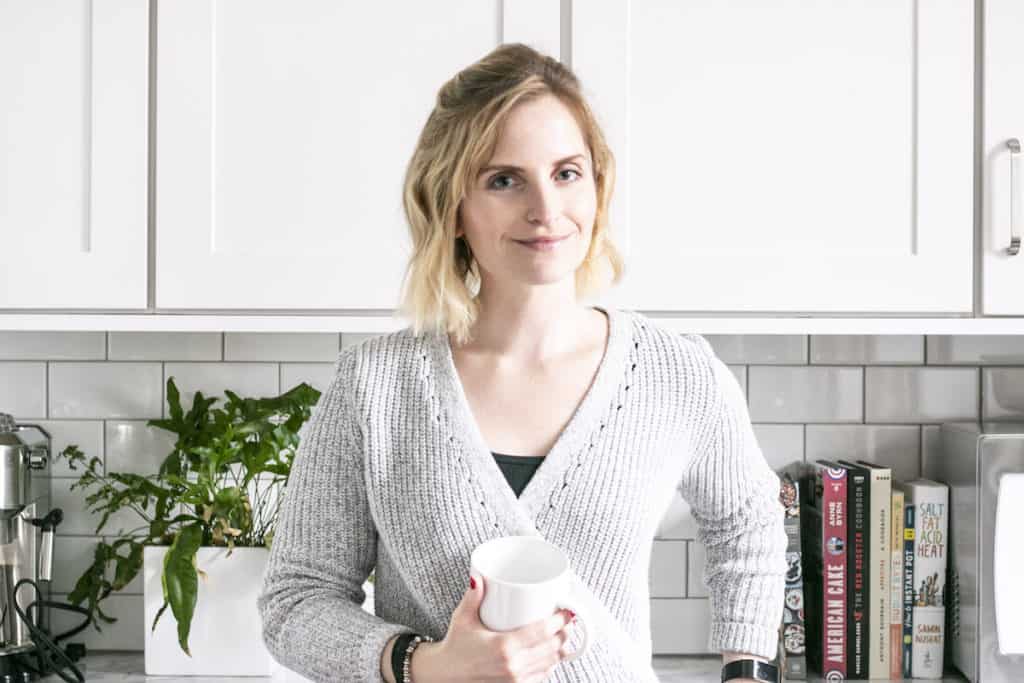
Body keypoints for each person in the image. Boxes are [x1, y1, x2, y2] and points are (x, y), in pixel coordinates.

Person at [257, 43, 787, 683]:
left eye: (567, 173)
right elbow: (295, 602)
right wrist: (422, 664)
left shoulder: (677, 374)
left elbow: (748, 522)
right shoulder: (376, 386)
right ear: (452, 206)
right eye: (504, 180)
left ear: (597, 186)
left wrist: (747, 670)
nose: (545, 210)